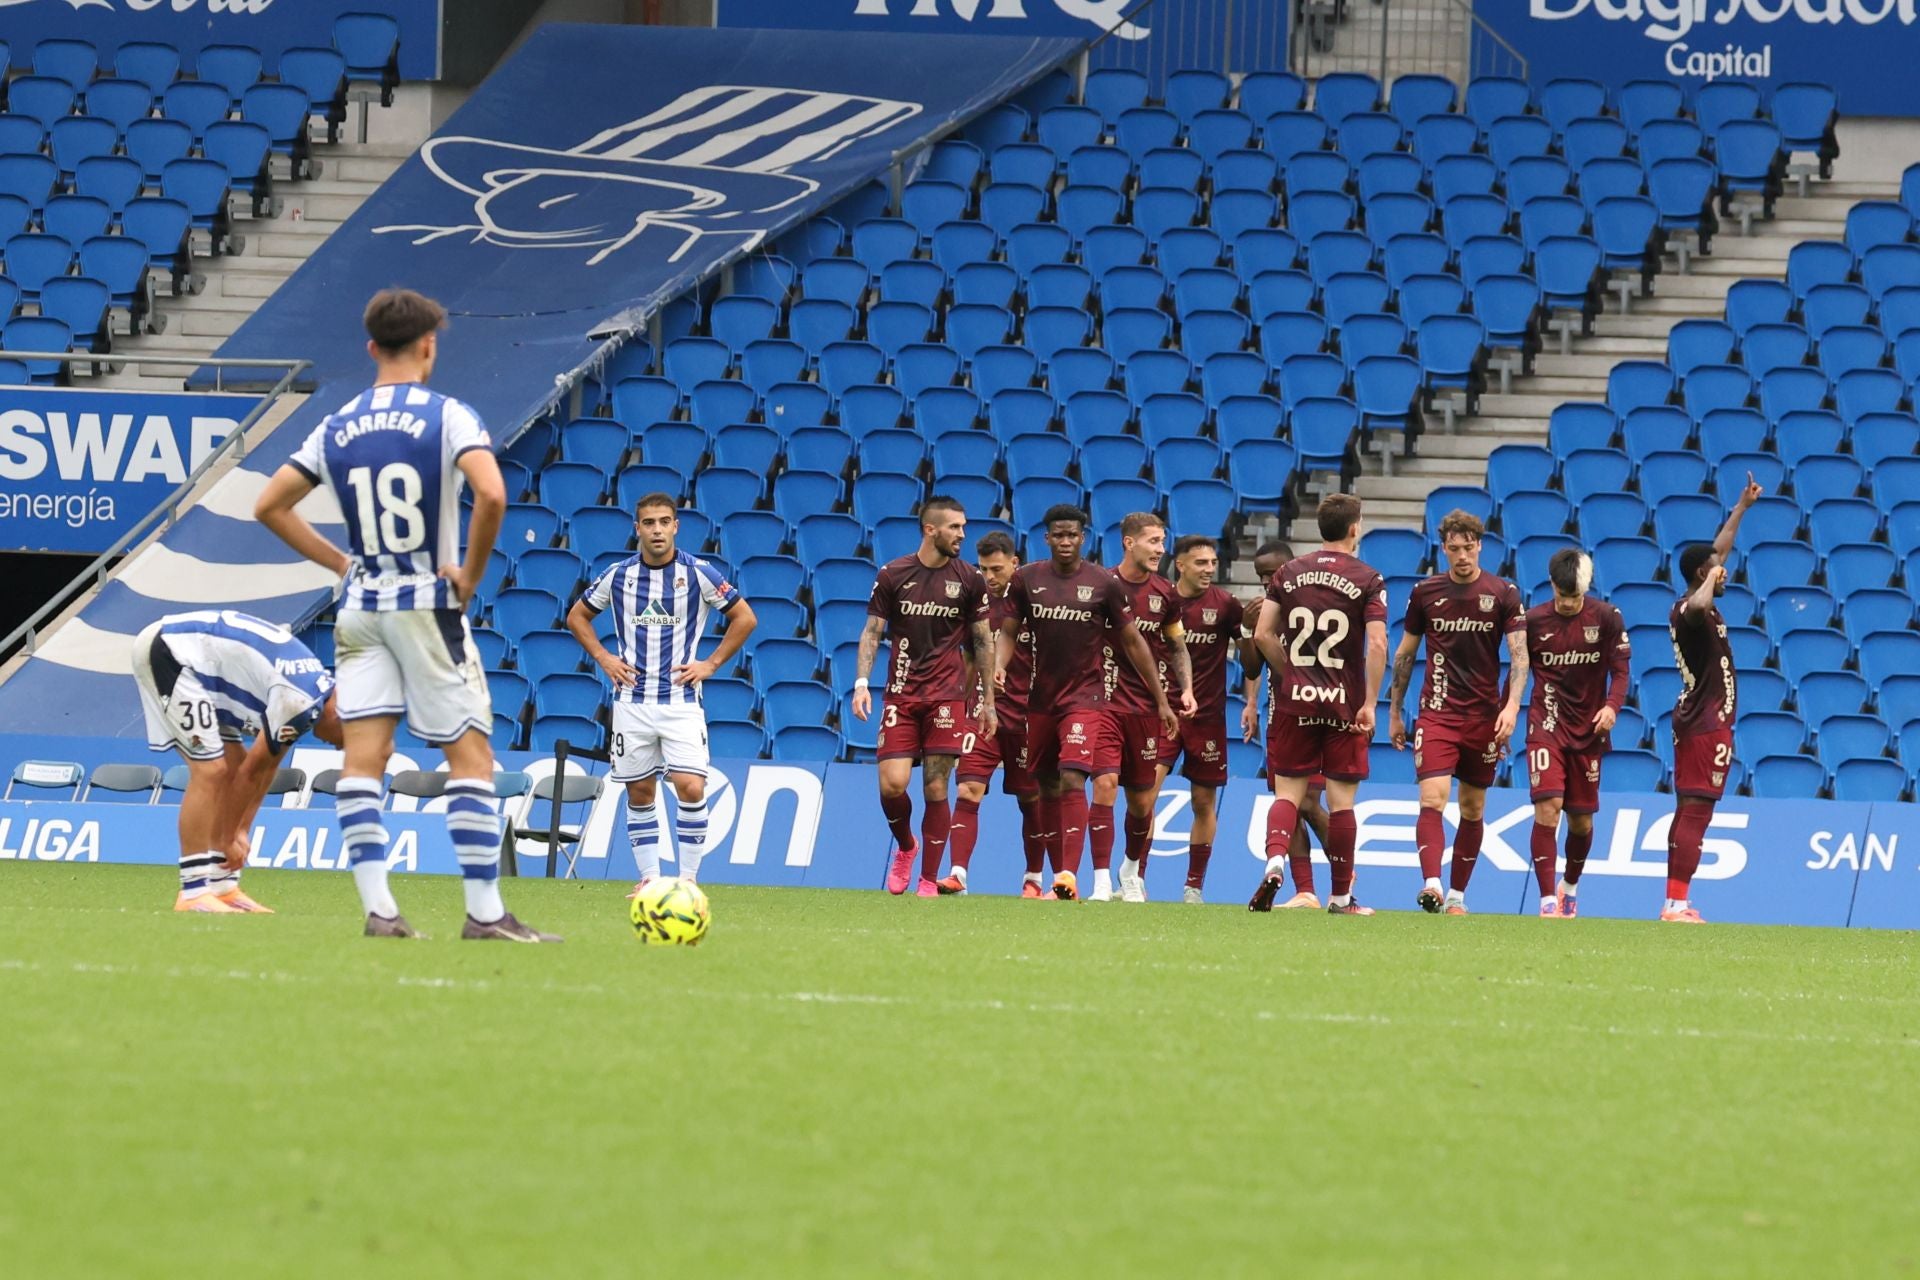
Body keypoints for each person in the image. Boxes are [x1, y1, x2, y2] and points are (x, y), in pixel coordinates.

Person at [254, 287, 558, 942]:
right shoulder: (447, 415)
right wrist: (470, 576)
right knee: (470, 759)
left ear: (371, 348)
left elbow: (269, 507)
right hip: (425, 598)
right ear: (429, 346)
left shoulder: (336, 424)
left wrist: (340, 564)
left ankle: (381, 912)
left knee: (364, 758)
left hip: (360, 608)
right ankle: (485, 915)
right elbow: (492, 492)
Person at [564, 493, 756, 896]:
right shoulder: (618, 575)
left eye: (664, 522)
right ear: (637, 528)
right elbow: (577, 615)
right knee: (640, 790)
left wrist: (711, 664)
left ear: (675, 527)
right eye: (648, 523)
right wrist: (603, 657)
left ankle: (687, 880)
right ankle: (650, 878)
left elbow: (745, 617)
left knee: (690, 786)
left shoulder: (699, 573)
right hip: (632, 702)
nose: (656, 530)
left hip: (681, 702)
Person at [1006, 504, 1174, 901]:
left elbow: (1137, 642)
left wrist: (1163, 699)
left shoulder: (1103, 583)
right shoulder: (1026, 579)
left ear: (1084, 537)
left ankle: (1090, 873)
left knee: (1095, 784)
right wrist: (997, 668)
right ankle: (1065, 877)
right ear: (1046, 539)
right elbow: (1008, 632)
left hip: (1092, 701)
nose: (1066, 541)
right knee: (1055, 785)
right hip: (1046, 701)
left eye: (1072, 535)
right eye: (1058, 535)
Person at [131, 609, 343, 913]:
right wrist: (231, 835)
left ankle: (222, 886)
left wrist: (239, 831)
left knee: (233, 765)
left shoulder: (312, 698)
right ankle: (192, 892)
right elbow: (253, 772)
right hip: (172, 653)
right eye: (342, 741)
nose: (335, 747)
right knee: (211, 770)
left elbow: (263, 769)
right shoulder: (300, 701)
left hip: (208, 672)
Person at [1248, 494, 1388, 915]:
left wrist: (1292, 674)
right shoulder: (1368, 577)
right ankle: (1341, 897)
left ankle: (1275, 860)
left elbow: (1261, 635)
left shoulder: (1288, 572)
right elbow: (1378, 642)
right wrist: (1369, 703)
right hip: (1343, 703)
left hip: (1296, 701)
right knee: (1341, 801)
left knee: (1287, 793)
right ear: (1354, 528)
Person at [852, 497, 995, 898]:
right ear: (930, 529)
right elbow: (872, 631)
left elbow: (983, 643)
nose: (962, 535)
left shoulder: (970, 579)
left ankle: (929, 880)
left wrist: (986, 701)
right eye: (955, 527)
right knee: (893, 785)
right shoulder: (893, 574)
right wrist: (862, 683)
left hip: (948, 697)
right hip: (901, 694)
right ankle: (906, 847)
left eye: (964, 527)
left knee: (936, 787)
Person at [1389, 509, 1528, 915]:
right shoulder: (1425, 592)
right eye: (1455, 549)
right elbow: (1405, 654)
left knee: (1472, 808)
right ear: (1443, 548)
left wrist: (1512, 706)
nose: (1463, 556)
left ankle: (1456, 897)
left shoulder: (1503, 593)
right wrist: (1395, 711)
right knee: (1432, 799)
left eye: (1469, 548)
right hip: (1437, 713)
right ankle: (1431, 884)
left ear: (1480, 545)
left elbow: (1520, 658)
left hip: (1484, 717)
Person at [1664, 474, 1764, 923]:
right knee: (1697, 810)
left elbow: (1718, 549)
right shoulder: (1688, 609)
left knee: (1689, 807)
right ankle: (1677, 904)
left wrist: (1741, 507)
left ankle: (1675, 900)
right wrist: (1710, 579)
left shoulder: (1699, 595)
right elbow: (1700, 604)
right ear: (1702, 575)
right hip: (1706, 721)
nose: (1726, 570)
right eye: (1716, 569)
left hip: (1698, 719)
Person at [1522, 549, 1630, 918]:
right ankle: (1546, 901)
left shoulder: (1606, 617)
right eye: (1562, 595)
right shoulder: (1533, 621)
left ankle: (1568, 886)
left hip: (1588, 729)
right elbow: (1519, 672)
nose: (1567, 603)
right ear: (1552, 585)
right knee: (1548, 809)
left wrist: (1612, 706)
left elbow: (1621, 671)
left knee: (1581, 821)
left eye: (1574, 596)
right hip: (1545, 724)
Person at [943, 532, 1041, 896]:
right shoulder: (977, 606)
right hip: (982, 715)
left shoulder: (1036, 604)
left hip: (1027, 717)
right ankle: (958, 875)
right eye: (982, 568)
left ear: (1015, 564)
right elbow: (969, 659)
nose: (989, 576)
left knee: (1030, 800)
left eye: (996, 568)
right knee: (968, 789)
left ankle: (1033, 878)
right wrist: (958, 705)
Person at [1107, 512, 1196, 903]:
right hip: (1100, 703)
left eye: (1162, 542)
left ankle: (1129, 868)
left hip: (1147, 707)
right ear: (1129, 543)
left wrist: (1186, 690)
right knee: (1103, 786)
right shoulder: (1100, 586)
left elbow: (1177, 646)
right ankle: (1090, 879)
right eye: (1153, 541)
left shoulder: (1166, 594)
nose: (1161, 549)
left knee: (1141, 802)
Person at [1239, 540, 1330, 908]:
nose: (1265, 581)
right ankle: (1305, 890)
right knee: (1287, 803)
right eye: (1260, 575)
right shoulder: (1265, 611)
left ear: (1290, 568)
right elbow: (1249, 667)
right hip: (1281, 719)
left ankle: (1345, 873)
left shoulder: (1314, 605)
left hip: (1319, 717)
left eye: (1272, 572)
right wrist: (1248, 632)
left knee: (1308, 802)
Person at [1167, 533, 1243, 905]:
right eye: (1201, 563)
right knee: (1143, 796)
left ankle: (1194, 886)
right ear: (1180, 565)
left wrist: (1252, 701)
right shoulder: (1161, 601)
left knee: (1202, 802)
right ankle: (1134, 878)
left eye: (1213, 563)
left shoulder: (1226, 605)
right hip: (1162, 711)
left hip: (1209, 716)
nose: (1209, 569)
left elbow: (1250, 657)